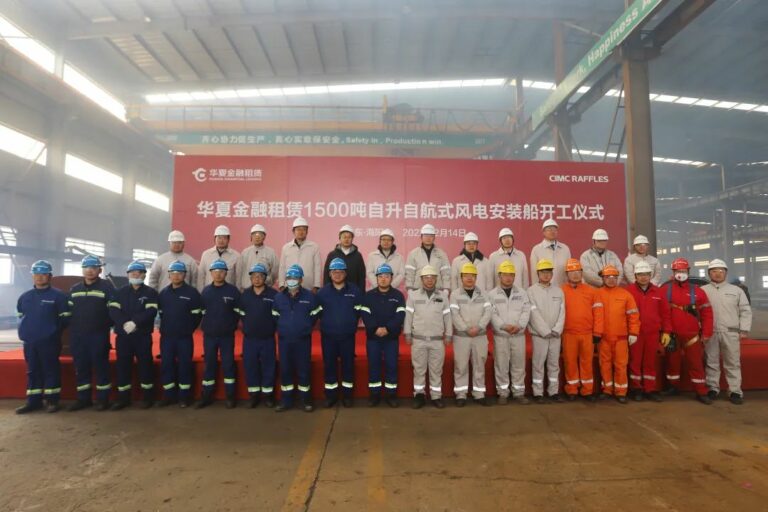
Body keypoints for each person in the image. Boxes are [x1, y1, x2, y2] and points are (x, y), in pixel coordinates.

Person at [15, 260, 70, 414]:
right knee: (32, 371)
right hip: (30, 342)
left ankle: (52, 401)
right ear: (32, 276)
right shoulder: (25, 297)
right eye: (36, 274)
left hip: (49, 341)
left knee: (50, 370)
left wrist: (52, 332)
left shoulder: (58, 296)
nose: (39, 277)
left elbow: (65, 319)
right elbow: (20, 316)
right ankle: (33, 401)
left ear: (50, 276)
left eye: (43, 274)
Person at [662, 258, 713, 405]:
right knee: (672, 362)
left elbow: (707, 314)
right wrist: (664, 332)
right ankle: (673, 387)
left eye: (683, 271)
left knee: (696, 363)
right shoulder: (664, 290)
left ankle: (701, 391)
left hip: (692, 336)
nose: (681, 273)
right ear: (673, 272)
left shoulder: (698, 292)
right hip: (671, 335)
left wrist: (707, 333)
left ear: (688, 272)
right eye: (678, 271)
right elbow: (661, 313)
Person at [108, 261, 159, 410]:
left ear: (144, 275)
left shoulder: (150, 292)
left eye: (139, 272)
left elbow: (151, 311)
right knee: (123, 366)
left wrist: (135, 322)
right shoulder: (119, 292)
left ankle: (147, 398)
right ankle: (123, 398)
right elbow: (113, 310)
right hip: (123, 336)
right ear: (128, 275)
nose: (136, 275)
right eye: (132, 273)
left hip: (142, 336)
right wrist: (124, 323)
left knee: (146, 365)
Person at [67, 255, 115, 412]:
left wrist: (104, 325)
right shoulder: (74, 289)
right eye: (86, 268)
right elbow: (68, 312)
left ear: (99, 270)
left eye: (93, 268)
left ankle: (103, 400)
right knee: (81, 368)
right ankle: (83, 399)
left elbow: (114, 310)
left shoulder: (107, 288)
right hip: (78, 336)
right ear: (82, 270)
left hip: (98, 335)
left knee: (101, 367)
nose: (89, 271)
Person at [272, 265, 322, 412]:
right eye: (289, 277)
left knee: (303, 370)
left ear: (301, 280)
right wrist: (284, 327)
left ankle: (305, 400)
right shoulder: (278, 297)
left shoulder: (310, 297)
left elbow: (315, 314)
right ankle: (286, 401)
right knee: (285, 370)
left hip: (303, 341)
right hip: (284, 341)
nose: (291, 280)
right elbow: (275, 316)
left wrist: (305, 327)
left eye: (295, 277)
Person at [702, 259, 752, 405]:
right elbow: (698, 312)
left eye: (721, 271)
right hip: (710, 332)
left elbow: (745, 310)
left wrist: (744, 329)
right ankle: (712, 388)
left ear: (726, 273)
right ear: (709, 273)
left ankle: (735, 390)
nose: (718, 274)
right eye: (714, 271)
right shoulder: (703, 290)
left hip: (731, 332)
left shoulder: (736, 291)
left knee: (732, 362)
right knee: (711, 361)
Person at [317, 258, 365, 408]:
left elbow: (358, 311)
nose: (337, 275)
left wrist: (349, 324)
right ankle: (331, 396)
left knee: (348, 366)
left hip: (347, 337)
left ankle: (347, 396)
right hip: (328, 337)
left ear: (345, 274)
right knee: (329, 366)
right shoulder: (322, 293)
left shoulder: (355, 291)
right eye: (334, 272)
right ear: (330, 274)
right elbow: (318, 313)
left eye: (340, 272)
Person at [404, 265, 452, 409]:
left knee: (436, 370)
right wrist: (407, 333)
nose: (429, 280)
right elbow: (408, 316)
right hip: (418, 340)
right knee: (419, 369)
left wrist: (449, 334)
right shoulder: (413, 296)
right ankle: (419, 395)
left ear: (436, 279)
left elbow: (448, 317)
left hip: (437, 340)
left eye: (432, 277)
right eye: (426, 277)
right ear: (421, 279)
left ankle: (436, 396)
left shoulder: (443, 297)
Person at [197, 259, 242, 409]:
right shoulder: (206, 291)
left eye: (221, 271)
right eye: (215, 271)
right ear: (211, 273)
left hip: (226, 336)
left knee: (228, 365)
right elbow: (202, 311)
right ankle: (206, 396)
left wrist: (230, 326)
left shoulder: (233, 291)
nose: (218, 274)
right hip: (209, 336)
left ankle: (230, 396)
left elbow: (238, 312)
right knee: (209, 365)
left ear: (226, 273)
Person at [157, 260, 202, 408]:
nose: (176, 276)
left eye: (180, 273)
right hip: (167, 338)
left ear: (185, 275)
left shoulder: (192, 293)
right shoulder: (163, 294)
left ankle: (184, 396)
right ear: (169, 275)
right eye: (173, 273)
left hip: (184, 338)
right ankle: (168, 396)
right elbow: (161, 314)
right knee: (167, 365)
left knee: (185, 366)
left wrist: (187, 328)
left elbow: (197, 315)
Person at [626, 261, 672, 402]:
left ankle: (650, 389)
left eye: (646, 274)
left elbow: (665, 313)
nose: (643, 277)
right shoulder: (628, 291)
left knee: (650, 362)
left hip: (653, 333)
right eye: (640, 274)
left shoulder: (659, 292)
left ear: (650, 275)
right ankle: (636, 389)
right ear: (635, 276)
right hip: (635, 333)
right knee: (635, 361)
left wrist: (666, 331)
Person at [361, 263, 406, 407]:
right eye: (380, 276)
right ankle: (374, 395)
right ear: (376, 278)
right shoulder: (368, 296)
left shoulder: (398, 296)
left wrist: (388, 329)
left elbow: (400, 315)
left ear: (391, 278)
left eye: (386, 276)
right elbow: (365, 314)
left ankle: (391, 395)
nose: (383, 279)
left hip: (391, 338)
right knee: (373, 366)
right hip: (373, 338)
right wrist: (375, 329)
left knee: (391, 366)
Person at [561, 258, 604, 402]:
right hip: (568, 333)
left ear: (582, 273)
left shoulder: (592, 291)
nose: (575, 274)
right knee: (570, 362)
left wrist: (597, 332)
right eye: (571, 272)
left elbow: (598, 314)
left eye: (578, 271)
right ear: (567, 274)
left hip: (587, 334)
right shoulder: (561, 291)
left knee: (587, 362)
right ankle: (572, 389)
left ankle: (587, 390)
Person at [449, 262, 492, 406]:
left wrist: (479, 327)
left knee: (479, 365)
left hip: (480, 336)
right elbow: (454, 314)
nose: (469, 278)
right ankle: (461, 395)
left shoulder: (484, 294)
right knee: (460, 366)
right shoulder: (455, 295)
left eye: (472, 275)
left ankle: (479, 394)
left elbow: (488, 312)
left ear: (476, 277)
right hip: (462, 336)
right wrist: (466, 329)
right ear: (461, 277)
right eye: (466, 275)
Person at [489, 261, 532, 405]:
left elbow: (526, 311)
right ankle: (503, 393)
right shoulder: (492, 294)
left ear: (514, 276)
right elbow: (492, 313)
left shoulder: (522, 293)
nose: (508, 278)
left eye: (511, 275)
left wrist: (519, 326)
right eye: (505, 274)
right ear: (499, 276)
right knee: (501, 365)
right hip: (501, 336)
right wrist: (503, 326)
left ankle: (518, 393)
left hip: (518, 335)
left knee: (518, 365)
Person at [596, 265, 640, 404]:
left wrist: (633, 332)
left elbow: (633, 316)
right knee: (605, 365)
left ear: (617, 278)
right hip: (603, 338)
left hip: (621, 338)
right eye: (608, 277)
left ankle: (621, 392)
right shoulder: (597, 294)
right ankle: (607, 390)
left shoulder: (625, 295)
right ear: (603, 278)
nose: (611, 279)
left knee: (621, 365)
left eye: (614, 277)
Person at [239, 263, 279, 408]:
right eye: (254, 276)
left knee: (269, 367)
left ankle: (268, 396)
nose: (257, 279)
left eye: (260, 276)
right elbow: (242, 314)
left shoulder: (273, 295)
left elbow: (277, 316)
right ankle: (254, 396)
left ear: (265, 278)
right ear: (250, 278)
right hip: (249, 339)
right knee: (251, 367)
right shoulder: (245, 295)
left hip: (267, 339)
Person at [526, 259, 565, 404]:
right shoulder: (531, 291)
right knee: (538, 364)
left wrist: (557, 329)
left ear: (552, 274)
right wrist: (544, 331)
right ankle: (538, 393)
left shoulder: (558, 291)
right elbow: (533, 313)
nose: (546, 275)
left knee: (554, 364)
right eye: (543, 272)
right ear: (538, 274)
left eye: (549, 272)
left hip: (555, 335)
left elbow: (562, 312)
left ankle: (553, 392)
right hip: (539, 335)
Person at [278, 217, 322, 292]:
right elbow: (282, 267)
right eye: (298, 229)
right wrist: (281, 285)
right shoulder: (286, 248)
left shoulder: (314, 247)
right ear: (293, 231)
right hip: (289, 287)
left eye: (303, 229)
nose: (301, 232)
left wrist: (316, 286)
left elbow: (317, 268)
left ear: (307, 231)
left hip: (308, 287)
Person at [405, 224, 451, 293]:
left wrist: (446, 289)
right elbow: (409, 273)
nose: (428, 238)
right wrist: (409, 289)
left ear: (434, 238)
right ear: (421, 237)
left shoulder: (442, 254)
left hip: (437, 291)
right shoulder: (413, 254)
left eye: (431, 236)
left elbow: (446, 273)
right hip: (418, 291)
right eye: (426, 235)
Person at [322, 225, 366, 290]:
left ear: (352, 239)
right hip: (335, 291)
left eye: (349, 237)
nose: (346, 239)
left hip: (353, 292)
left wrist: (361, 292)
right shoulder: (332, 255)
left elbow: (361, 276)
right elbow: (326, 275)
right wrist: (327, 290)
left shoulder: (358, 255)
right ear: (340, 238)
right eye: (344, 237)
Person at [197, 225, 240, 291]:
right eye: (219, 238)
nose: (221, 240)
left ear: (228, 239)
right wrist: (201, 292)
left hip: (228, 292)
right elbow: (201, 276)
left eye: (224, 238)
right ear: (214, 239)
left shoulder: (236, 256)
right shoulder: (206, 254)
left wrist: (237, 293)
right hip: (209, 292)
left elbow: (238, 278)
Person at [530, 219, 571, 286]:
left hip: (562, 288)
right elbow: (534, 273)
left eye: (554, 229)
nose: (552, 231)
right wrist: (536, 289)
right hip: (543, 288)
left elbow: (569, 271)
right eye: (549, 229)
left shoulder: (565, 249)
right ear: (543, 232)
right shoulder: (536, 249)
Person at [238, 224, 279, 290]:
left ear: (264, 237)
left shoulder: (271, 252)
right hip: (247, 289)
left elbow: (275, 271)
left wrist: (269, 282)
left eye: (260, 235)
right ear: (251, 237)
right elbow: (240, 271)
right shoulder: (245, 252)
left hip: (265, 289)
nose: (257, 237)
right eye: (254, 235)